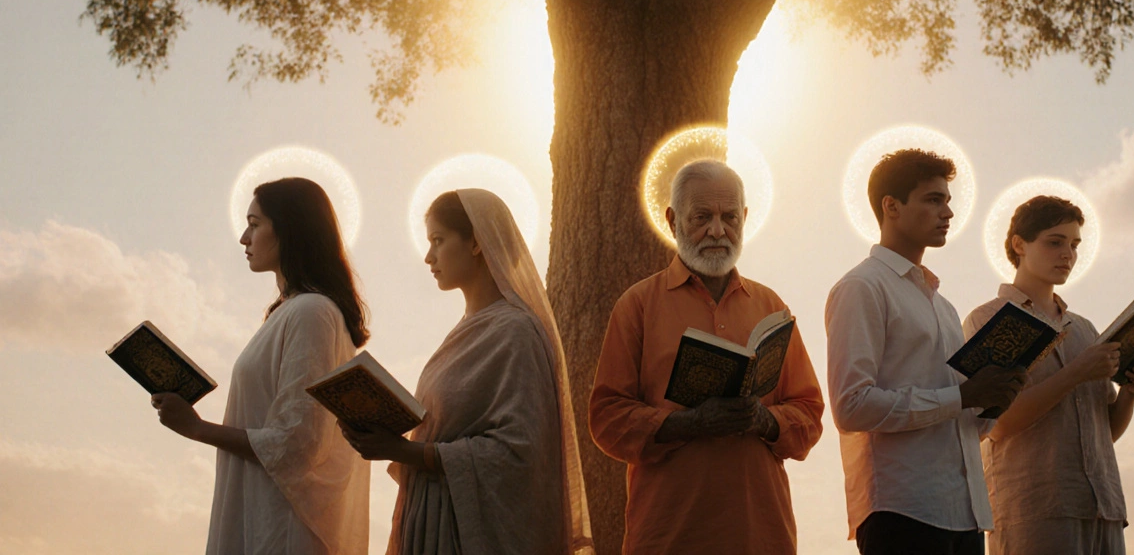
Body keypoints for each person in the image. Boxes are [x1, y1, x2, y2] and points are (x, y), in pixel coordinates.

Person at [589, 159, 825, 555]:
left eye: (729, 216)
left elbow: (809, 412)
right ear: (672, 220)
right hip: (667, 536)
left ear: (745, 218)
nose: (717, 231)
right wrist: (688, 423)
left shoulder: (771, 307)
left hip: (761, 534)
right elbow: (606, 418)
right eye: (702, 217)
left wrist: (765, 420)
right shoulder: (638, 306)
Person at [342, 189, 593, 555]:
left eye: (438, 241)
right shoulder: (462, 333)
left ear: (476, 242)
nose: (429, 257)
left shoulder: (516, 332)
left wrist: (406, 451)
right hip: (429, 520)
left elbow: (520, 452)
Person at [152, 177, 371, 555]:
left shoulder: (312, 312)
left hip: (283, 530)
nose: (243, 237)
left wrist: (196, 428)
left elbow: (298, 443)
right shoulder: (289, 313)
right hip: (260, 518)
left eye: (254, 224)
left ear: (290, 229)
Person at [826, 149, 1029, 555]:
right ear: (891, 206)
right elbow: (851, 406)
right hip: (902, 511)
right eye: (933, 199)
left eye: (948, 201)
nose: (948, 212)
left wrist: (992, 402)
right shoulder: (862, 287)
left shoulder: (944, 307)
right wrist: (963, 397)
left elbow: (963, 418)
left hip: (966, 513)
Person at [963, 195, 1134, 555]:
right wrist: (1076, 373)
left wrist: (1131, 391)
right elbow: (997, 425)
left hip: (1104, 508)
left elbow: (1105, 431)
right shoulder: (989, 320)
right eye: (1055, 242)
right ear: (1019, 244)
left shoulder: (1084, 329)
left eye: (1074, 244)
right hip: (1034, 510)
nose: (1068, 254)